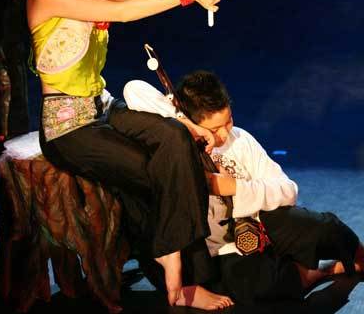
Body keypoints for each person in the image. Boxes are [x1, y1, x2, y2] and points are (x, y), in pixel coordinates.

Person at [26, 0, 232, 309]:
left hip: (103, 108)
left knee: (175, 139)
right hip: (69, 129)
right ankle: (179, 280)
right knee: (152, 170)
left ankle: (174, 262)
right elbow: (124, 14)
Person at [124, 71, 364, 307]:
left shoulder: (240, 139)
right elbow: (134, 89)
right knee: (260, 286)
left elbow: (288, 190)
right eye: (214, 129)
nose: (224, 133)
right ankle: (319, 272)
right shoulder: (178, 147)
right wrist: (185, 124)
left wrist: (234, 187)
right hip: (214, 251)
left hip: (258, 227)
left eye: (228, 121)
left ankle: (359, 256)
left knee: (322, 226)